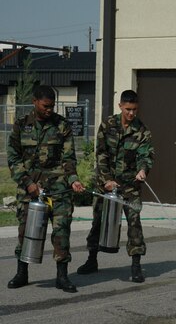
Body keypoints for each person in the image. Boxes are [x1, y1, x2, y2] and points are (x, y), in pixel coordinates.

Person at [7, 85, 85, 292]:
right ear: (34, 102)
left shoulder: (62, 126)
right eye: (45, 106)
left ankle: (62, 276)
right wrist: (28, 183)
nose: (49, 110)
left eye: (51, 106)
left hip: (58, 189)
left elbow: (68, 159)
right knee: (26, 232)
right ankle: (21, 273)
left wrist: (73, 180)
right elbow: (13, 160)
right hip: (30, 189)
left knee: (62, 232)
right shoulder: (21, 126)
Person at [77, 89, 154, 282]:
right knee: (98, 221)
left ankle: (136, 266)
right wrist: (107, 180)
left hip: (130, 185)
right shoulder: (107, 125)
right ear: (120, 106)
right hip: (106, 184)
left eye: (135, 109)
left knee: (134, 223)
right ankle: (92, 259)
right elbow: (101, 155)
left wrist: (143, 170)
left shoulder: (142, 131)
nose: (131, 113)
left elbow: (146, 155)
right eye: (128, 109)